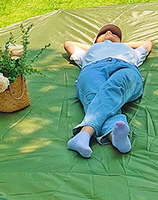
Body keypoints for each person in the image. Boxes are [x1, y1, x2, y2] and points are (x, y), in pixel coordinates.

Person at [64, 23, 153, 158]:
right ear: (95, 40)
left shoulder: (131, 51)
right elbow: (68, 44)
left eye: (114, 34)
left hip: (125, 67)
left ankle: (84, 134)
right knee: (94, 95)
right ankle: (115, 137)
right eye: (104, 33)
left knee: (115, 86)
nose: (109, 33)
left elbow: (147, 43)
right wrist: (96, 46)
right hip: (93, 68)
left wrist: (117, 44)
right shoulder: (87, 52)